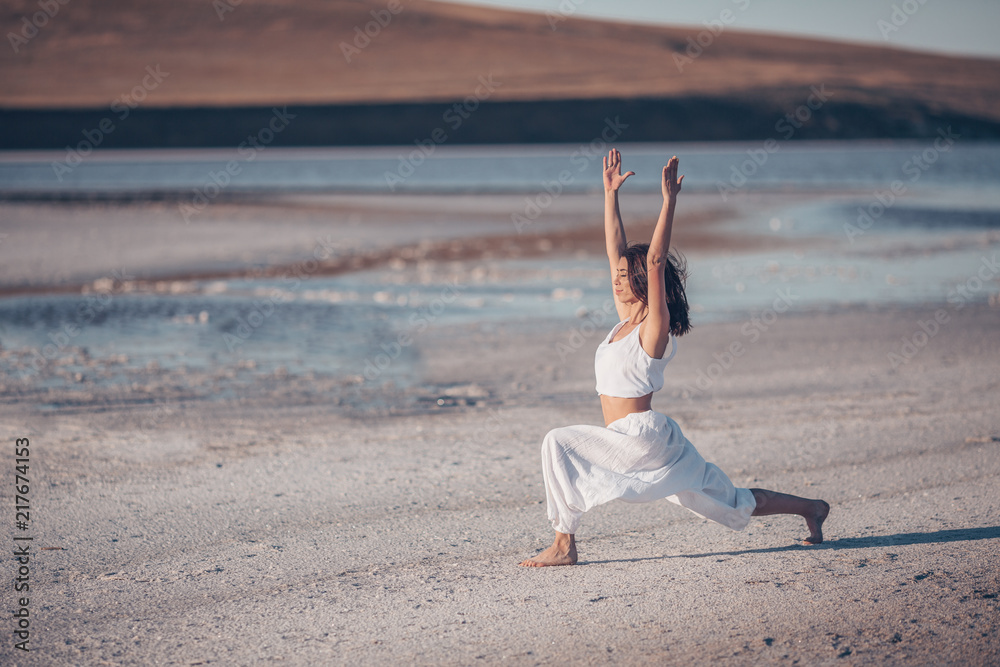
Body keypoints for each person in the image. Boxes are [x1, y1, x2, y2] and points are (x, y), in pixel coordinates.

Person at [518, 149, 829, 567]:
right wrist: (609, 195)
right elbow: (616, 248)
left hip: (639, 439)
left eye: (627, 276)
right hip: (639, 441)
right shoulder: (624, 322)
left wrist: (669, 203)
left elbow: (656, 259)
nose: (616, 278)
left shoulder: (653, 327)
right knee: (731, 501)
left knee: (557, 442)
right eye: (617, 274)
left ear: (646, 283)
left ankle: (563, 545)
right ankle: (812, 508)